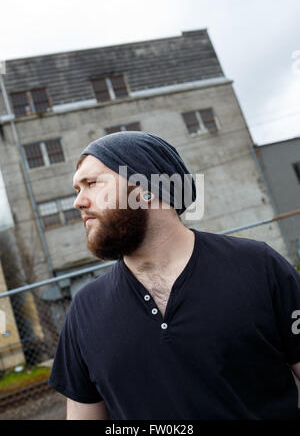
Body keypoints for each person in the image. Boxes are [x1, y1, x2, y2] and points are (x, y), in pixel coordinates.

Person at [48, 131, 300, 420]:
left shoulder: (258, 266)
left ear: (148, 188)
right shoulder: (84, 310)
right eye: (77, 190)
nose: (78, 202)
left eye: (91, 184)